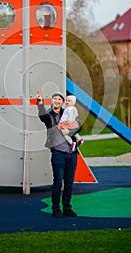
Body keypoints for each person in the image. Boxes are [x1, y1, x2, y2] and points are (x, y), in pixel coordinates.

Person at [36, 90, 82, 218]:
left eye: (59, 99)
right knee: (57, 182)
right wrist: (40, 103)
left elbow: (79, 125)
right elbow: (42, 116)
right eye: (54, 98)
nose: (57, 101)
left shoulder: (68, 111)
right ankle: (56, 209)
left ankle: (67, 208)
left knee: (69, 183)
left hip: (71, 153)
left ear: (62, 102)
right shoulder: (49, 116)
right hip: (58, 153)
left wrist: (71, 130)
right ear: (52, 101)